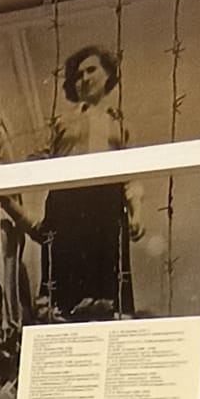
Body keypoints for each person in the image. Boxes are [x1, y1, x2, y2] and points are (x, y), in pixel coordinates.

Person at [38, 45, 139, 319]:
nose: (84, 78)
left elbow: (131, 173)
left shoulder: (119, 123)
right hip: (67, 205)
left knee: (107, 289)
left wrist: (137, 211)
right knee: (64, 292)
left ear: (108, 74)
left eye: (91, 70)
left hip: (106, 206)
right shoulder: (62, 122)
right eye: (78, 75)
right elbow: (38, 160)